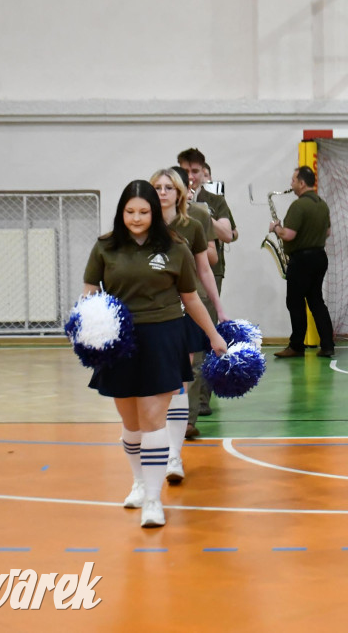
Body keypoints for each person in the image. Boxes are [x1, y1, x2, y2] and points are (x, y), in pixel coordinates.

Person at [81, 180, 226, 528]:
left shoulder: (175, 247)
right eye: (130, 211)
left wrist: (213, 334)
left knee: (152, 419)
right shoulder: (105, 247)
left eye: (143, 211)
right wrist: (86, 332)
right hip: (120, 341)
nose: (136, 217)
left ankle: (153, 500)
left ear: (154, 213)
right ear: (121, 212)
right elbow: (89, 294)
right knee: (131, 425)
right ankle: (138, 483)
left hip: (163, 337)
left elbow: (190, 298)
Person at [150, 169, 228, 479]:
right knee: (154, 385)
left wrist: (218, 309)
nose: (163, 192)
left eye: (169, 187)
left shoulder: (194, 225)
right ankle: (148, 443)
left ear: (180, 192)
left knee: (180, 380)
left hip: (184, 311)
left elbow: (205, 270)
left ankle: (173, 455)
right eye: (157, 187)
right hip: (150, 315)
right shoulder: (142, 224)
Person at [270, 166, 336, 358]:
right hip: (319, 257)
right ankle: (328, 345)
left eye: (293, 180)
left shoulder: (298, 206)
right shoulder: (322, 204)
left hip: (301, 260)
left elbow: (288, 235)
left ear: (301, 183)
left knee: (295, 302)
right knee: (316, 301)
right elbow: (328, 232)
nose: (291, 184)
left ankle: (296, 346)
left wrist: (276, 228)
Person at [177, 148, 237, 293]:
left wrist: (197, 211)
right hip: (178, 267)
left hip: (211, 268)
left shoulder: (216, 200)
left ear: (204, 172)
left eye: (195, 171)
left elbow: (228, 235)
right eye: (185, 171)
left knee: (209, 314)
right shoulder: (171, 198)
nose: (190, 176)